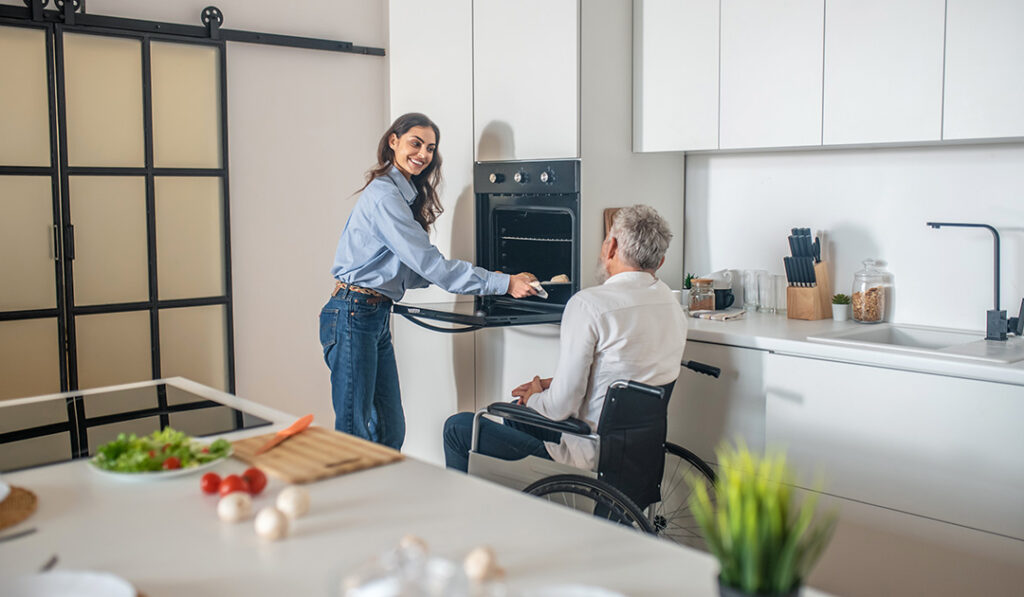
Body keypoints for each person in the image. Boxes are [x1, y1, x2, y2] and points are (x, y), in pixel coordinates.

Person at [321, 113, 536, 450]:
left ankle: (382, 498)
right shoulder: (385, 197)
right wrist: (501, 282)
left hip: (371, 316)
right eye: (415, 143)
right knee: (353, 433)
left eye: (430, 148)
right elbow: (431, 266)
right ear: (393, 141)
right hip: (353, 313)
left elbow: (416, 271)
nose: (423, 154)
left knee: (390, 431)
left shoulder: (401, 194)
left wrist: (496, 279)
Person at [443, 205, 687, 472]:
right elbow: (623, 377)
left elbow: (560, 408)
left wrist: (537, 395)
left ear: (612, 247)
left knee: (458, 428)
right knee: (519, 415)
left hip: (585, 461)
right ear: (660, 262)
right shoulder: (670, 303)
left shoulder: (589, 304)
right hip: (636, 460)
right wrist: (550, 385)